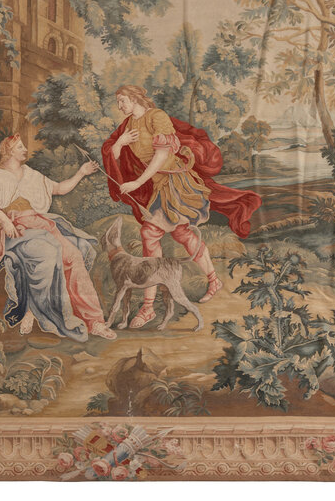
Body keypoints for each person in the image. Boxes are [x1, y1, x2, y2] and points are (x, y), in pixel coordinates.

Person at [101, 85, 262, 329]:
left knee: (151, 233)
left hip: (175, 183)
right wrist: (120, 143)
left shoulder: (157, 117)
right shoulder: (127, 125)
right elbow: (112, 156)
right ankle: (211, 280)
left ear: (135, 99)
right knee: (180, 234)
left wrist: (137, 182)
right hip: (157, 185)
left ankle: (148, 307)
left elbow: (161, 156)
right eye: (118, 101)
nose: (119, 106)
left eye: (122, 100)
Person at [0, 133, 116, 341]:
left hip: (41, 225)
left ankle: (94, 321)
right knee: (49, 253)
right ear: (8, 151)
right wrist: (5, 221)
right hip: (17, 230)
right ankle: (34, 310)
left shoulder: (31, 174)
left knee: (74, 256)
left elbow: (59, 188)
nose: (25, 150)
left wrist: (81, 172)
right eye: (20, 147)